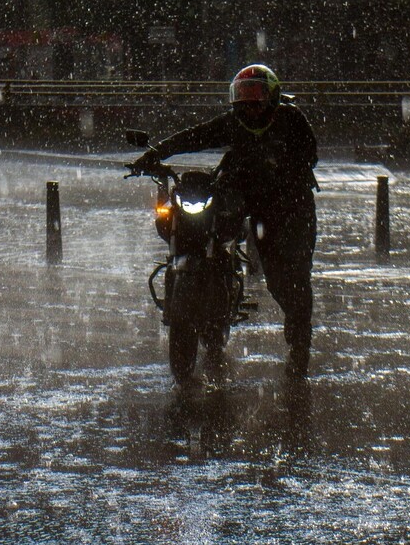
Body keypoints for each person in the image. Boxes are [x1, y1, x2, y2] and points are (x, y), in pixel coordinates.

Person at [132, 64, 319, 376]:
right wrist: (154, 155)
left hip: (289, 204)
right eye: (243, 97)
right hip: (251, 193)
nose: (250, 105)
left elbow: (310, 154)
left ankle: (299, 340)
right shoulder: (233, 124)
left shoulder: (291, 119)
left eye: (257, 96)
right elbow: (196, 136)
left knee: (287, 278)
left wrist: (278, 167)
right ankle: (214, 274)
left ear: (272, 97)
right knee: (211, 215)